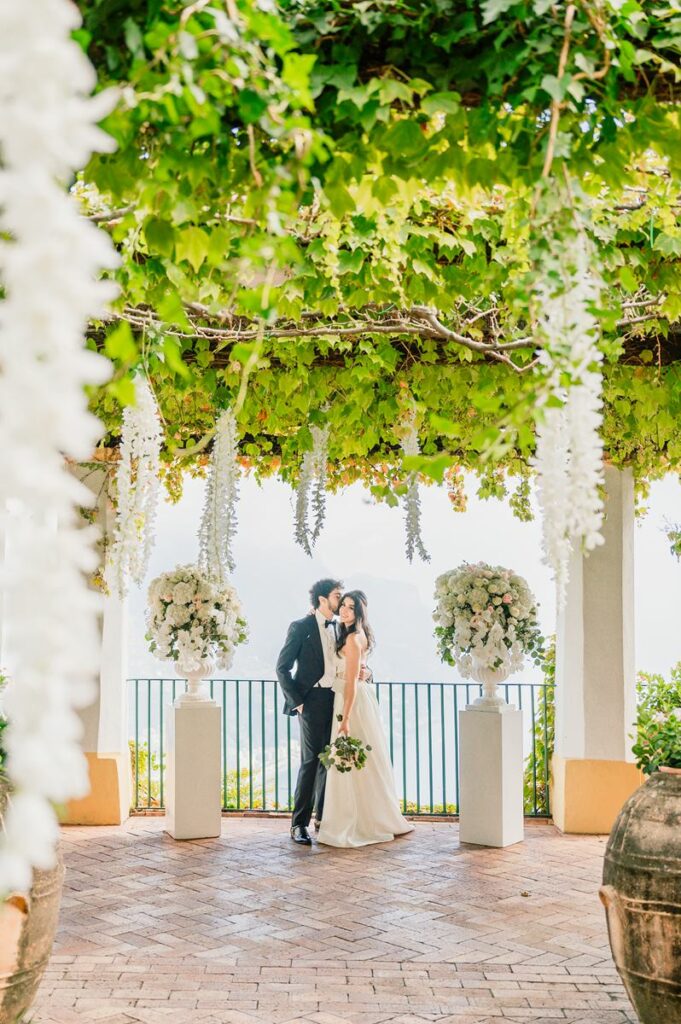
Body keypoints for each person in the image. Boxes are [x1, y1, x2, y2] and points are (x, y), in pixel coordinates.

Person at [317, 591, 415, 848]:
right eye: (344, 606)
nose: (345, 611)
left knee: (350, 761)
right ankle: (377, 814)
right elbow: (360, 671)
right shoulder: (358, 634)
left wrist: (345, 719)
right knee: (365, 763)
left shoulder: (351, 639)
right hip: (361, 698)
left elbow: (350, 682)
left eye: (351, 608)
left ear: (359, 613)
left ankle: (355, 821)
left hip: (351, 701)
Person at [276, 578, 343, 845]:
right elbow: (282, 668)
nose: (340, 601)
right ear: (322, 599)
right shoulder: (301, 627)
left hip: (335, 698)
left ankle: (322, 819)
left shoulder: (339, 628)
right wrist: (298, 701)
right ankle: (298, 824)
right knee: (310, 761)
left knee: (329, 759)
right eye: (337, 596)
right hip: (311, 700)